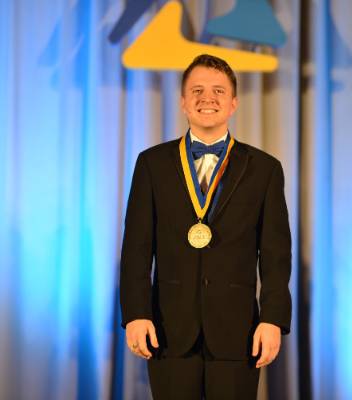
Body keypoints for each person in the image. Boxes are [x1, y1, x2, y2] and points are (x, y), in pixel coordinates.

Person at [120, 54, 291, 399]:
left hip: (238, 333)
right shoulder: (151, 164)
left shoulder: (265, 169)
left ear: (233, 103)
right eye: (196, 90)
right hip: (167, 331)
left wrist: (272, 320)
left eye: (218, 90)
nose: (207, 98)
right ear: (183, 102)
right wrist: (136, 314)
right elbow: (136, 249)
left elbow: (275, 256)